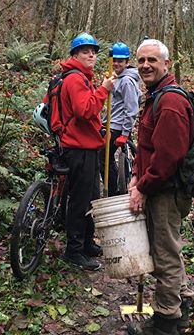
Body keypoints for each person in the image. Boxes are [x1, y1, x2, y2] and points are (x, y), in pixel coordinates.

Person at [127, 39, 194, 335]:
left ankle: (166, 321)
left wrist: (143, 186)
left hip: (166, 192)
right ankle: (184, 304)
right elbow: (146, 146)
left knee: (164, 257)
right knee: (169, 250)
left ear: (166, 64)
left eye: (152, 60)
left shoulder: (170, 102)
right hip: (157, 187)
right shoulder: (155, 95)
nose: (145, 66)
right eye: (141, 60)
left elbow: (167, 159)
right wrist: (134, 175)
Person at [54, 33, 114, 271]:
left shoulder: (81, 77)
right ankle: (74, 250)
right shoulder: (76, 79)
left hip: (86, 146)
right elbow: (84, 110)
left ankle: (87, 243)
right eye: (85, 51)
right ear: (74, 55)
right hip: (77, 148)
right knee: (80, 201)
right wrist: (104, 90)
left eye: (93, 51)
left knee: (91, 198)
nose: (91, 55)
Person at [99, 42, 142, 196]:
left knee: (103, 159)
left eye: (120, 61)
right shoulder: (118, 77)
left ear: (127, 62)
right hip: (111, 123)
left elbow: (132, 109)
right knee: (104, 157)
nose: (116, 63)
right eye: (114, 60)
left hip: (117, 127)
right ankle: (116, 184)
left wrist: (124, 133)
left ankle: (112, 192)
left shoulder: (127, 81)